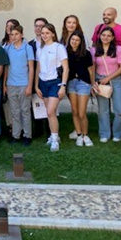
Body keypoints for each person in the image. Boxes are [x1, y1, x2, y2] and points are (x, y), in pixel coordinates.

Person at [34, 23, 69, 152]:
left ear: (53, 34)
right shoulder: (40, 49)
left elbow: (66, 68)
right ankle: (54, 136)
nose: (44, 35)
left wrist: (63, 86)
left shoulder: (59, 47)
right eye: (43, 33)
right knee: (50, 113)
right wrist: (36, 85)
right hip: (43, 82)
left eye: (47, 33)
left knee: (50, 111)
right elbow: (38, 68)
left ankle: (54, 139)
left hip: (55, 82)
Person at [90, 26, 121, 143]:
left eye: (108, 36)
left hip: (115, 80)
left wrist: (108, 78)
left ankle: (118, 132)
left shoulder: (119, 49)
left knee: (120, 109)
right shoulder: (94, 50)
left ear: (112, 38)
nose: (105, 37)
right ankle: (104, 133)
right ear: (99, 36)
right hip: (100, 81)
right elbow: (92, 68)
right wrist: (93, 83)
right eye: (103, 35)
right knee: (103, 110)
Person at [3, 25, 34, 145]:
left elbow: (31, 68)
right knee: (14, 111)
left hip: (24, 83)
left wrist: (29, 85)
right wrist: (5, 84)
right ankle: (16, 135)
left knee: (25, 110)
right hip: (11, 83)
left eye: (16, 34)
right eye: (12, 34)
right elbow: (6, 67)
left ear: (21, 34)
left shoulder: (27, 48)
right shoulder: (8, 48)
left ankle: (27, 135)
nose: (14, 37)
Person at [66, 30, 94, 147]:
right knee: (75, 110)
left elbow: (91, 70)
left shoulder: (86, 53)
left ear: (81, 41)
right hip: (71, 83)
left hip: (83, 83)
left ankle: (85, 135)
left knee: (82, 113)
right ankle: (78, 134)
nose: (74, 42)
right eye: (73, 39)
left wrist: (93, 85)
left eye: (77, 40)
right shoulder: (65, 52)